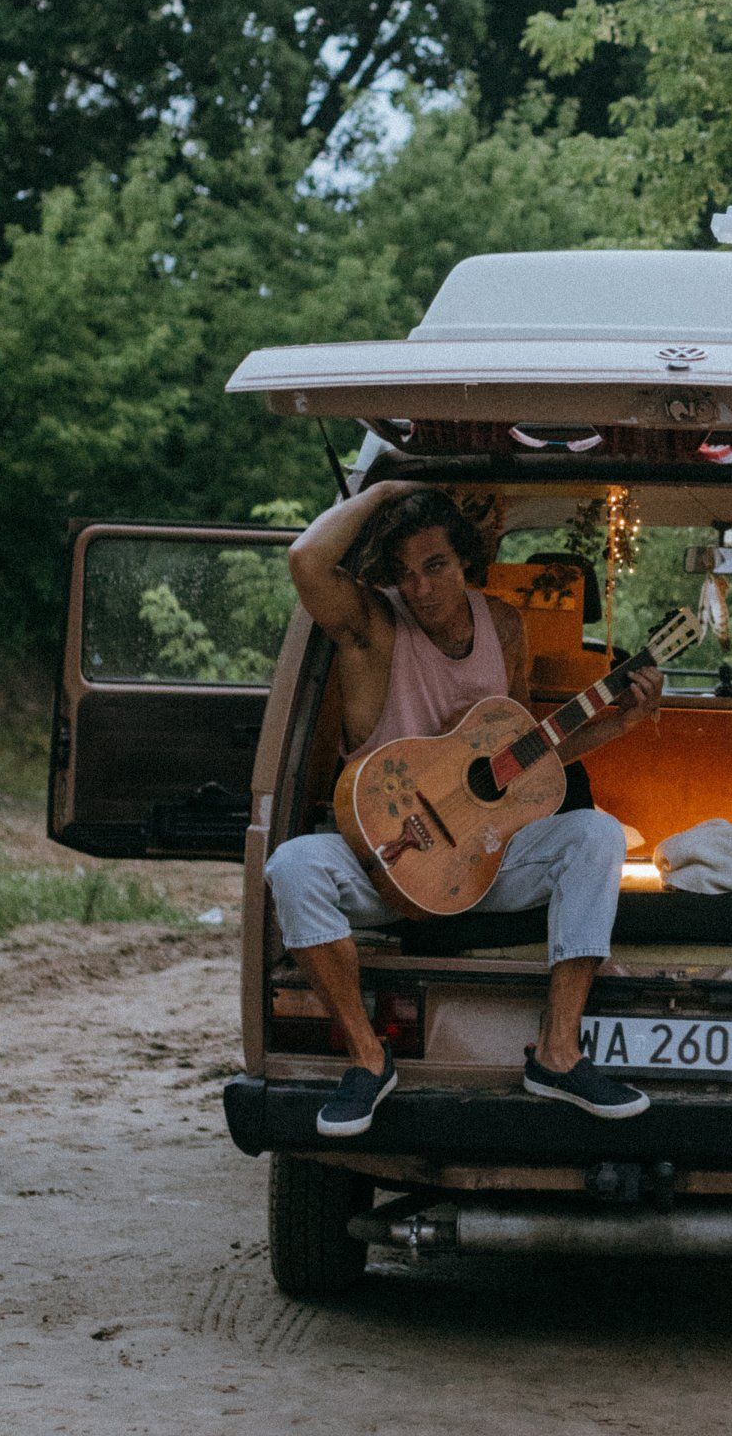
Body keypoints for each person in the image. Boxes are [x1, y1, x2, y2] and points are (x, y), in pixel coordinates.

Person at [265, 480, 658, 1139]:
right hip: (384, 865)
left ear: (465, 561)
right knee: (292, 866)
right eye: (404, 573)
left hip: (482, 858)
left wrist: (622, 723)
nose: (420, 589)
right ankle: (367, 1058)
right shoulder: (371, 624)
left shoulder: (502, 626)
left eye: (436, 566)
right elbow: (306, 559)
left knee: (596, 833)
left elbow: (520, 757)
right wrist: (386, 488)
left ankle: (559, 1053)